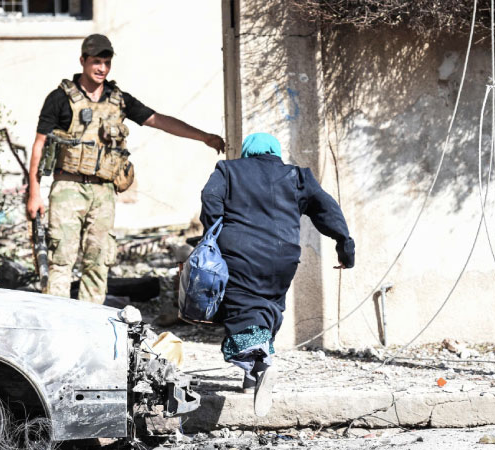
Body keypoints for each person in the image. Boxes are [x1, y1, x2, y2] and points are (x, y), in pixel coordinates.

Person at [26, 34, 225, 303]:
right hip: (68, 188)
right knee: (61, 258)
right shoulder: (60, 98)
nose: (102, 68)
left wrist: (204, 137)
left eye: (106, 63)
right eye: (96, 62)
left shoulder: (118, 99)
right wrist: (34, 193)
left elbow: (159, 120)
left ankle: (90, 323)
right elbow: (39, 145)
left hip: (104, 191)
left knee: (98, 260)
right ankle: (56, 322)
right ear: (83, 61)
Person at [200, 132, 355, 416]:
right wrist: (345, 246)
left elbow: (210, 199)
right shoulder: (298, 176)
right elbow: (326, 208)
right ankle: (253, 377)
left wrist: (212, 236)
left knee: (241, 309)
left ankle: (261, 362)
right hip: (283, 256)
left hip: (239, 253)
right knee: (269, 306)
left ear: (247, 151)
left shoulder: (228, 170)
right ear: (275, 151)